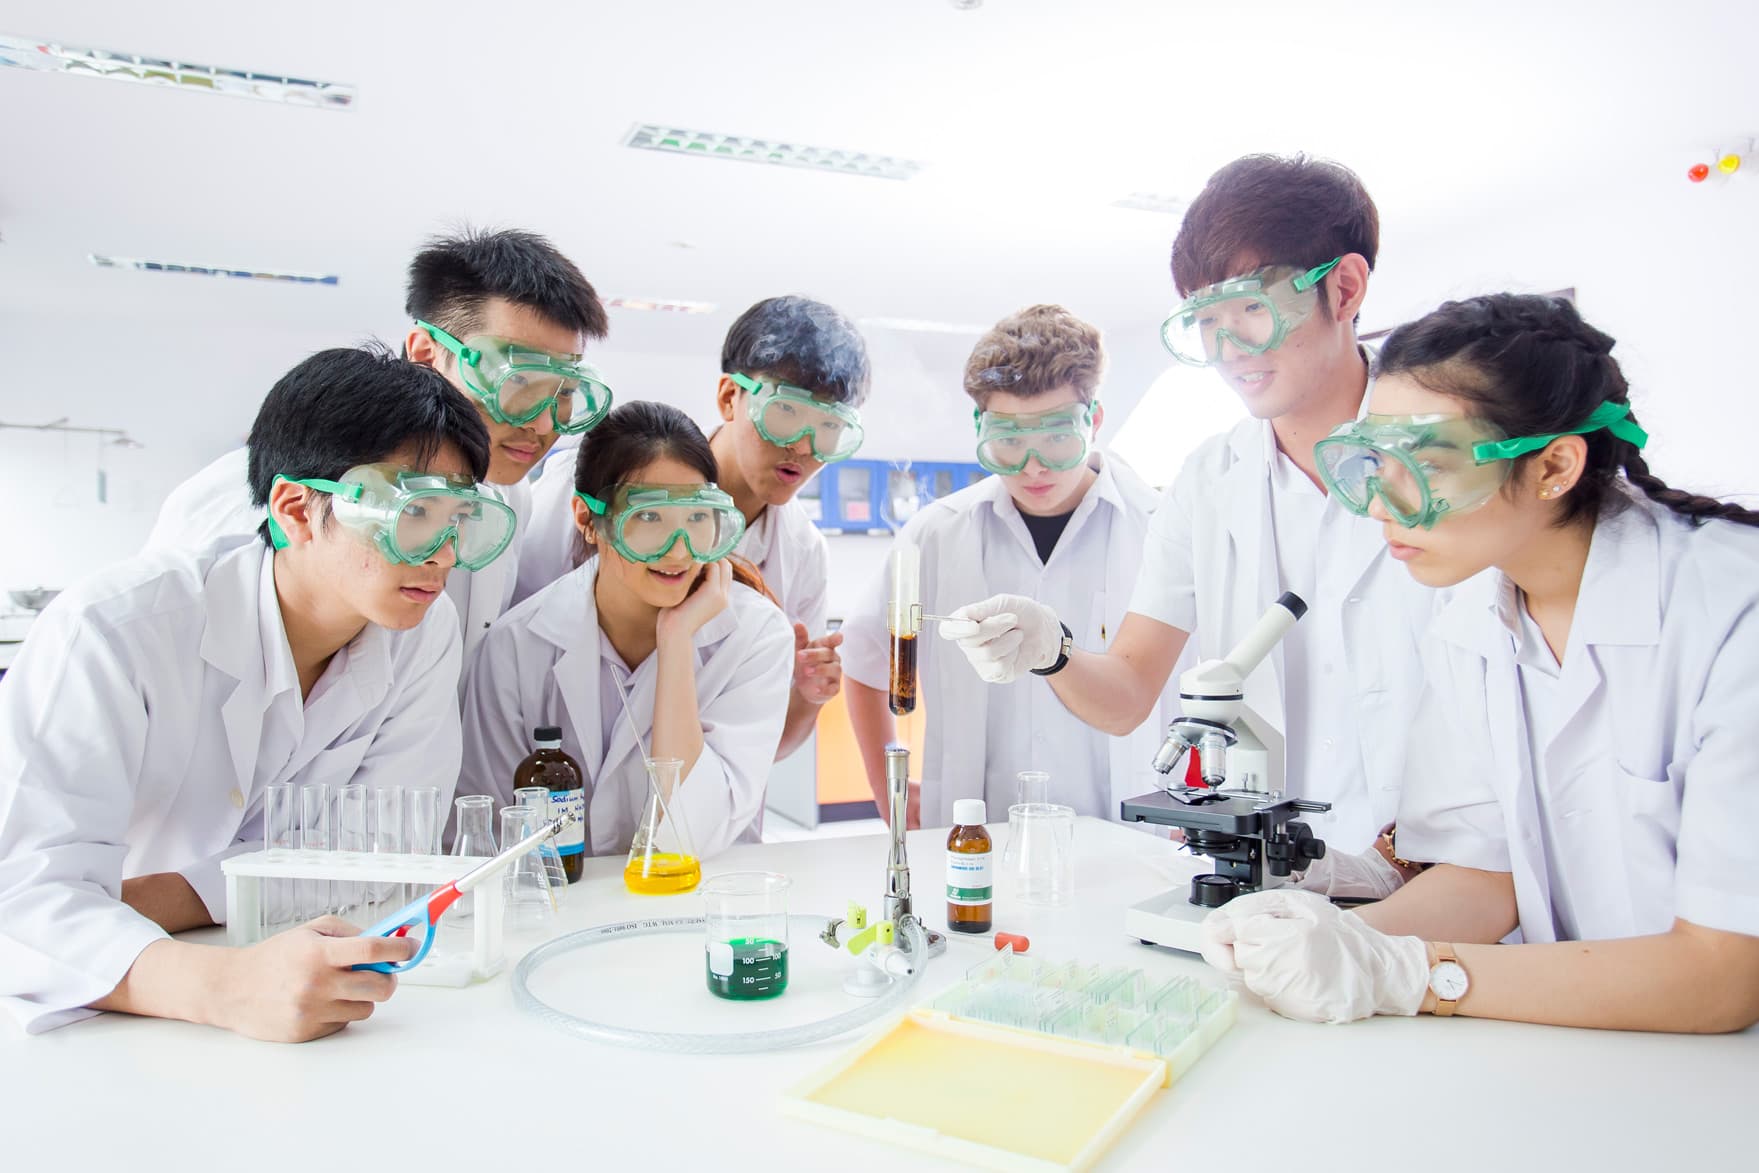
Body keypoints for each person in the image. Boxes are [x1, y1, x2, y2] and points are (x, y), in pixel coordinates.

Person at [1200, 294, 1759, 1033]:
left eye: (1426, 465)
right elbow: (1484, 876)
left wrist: (1406, 972)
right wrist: (1328, 943)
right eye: (1374, 463)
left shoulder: (1733, 615)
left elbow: (1724, 976)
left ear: (1553, 465)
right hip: (1593, 1042)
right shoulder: (1472, 614)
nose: (1379, 505)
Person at [941, 155, 1438, 872]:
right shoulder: (1207, 480)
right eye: (1205, 320)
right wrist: (1051, 650)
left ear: (1344, 287)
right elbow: (1127, 695)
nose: (1227, 349)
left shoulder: (1445, 454)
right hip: (1274, 879)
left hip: (1437, 874)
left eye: (1252, 309)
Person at [0, 347, 504, 1039]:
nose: (443, 554)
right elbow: (24, 905)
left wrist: (161, 899)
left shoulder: (420, 626)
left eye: (459, 519)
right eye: (413, 513)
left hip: (257, 960)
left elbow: (386, 848)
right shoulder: (112, 630)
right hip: (112, 1000)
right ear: (296, 509)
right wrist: (224, 987)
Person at [146, 227, 609, 663]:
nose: (543, 422)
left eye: (564, 391)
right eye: (519, 382)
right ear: (426, 353)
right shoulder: (260, 498)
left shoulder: (507, 495)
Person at [840, 305, 1169, 827]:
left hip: (1123, 833)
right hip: (975, 839)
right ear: (981, 428)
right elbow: (864, 661)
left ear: (1094, 421)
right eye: (1009, 440)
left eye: (1056, 437)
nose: (1033, 466)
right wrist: (889, 796)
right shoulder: (936, 533)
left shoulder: (1158, 529)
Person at [515, 296, 871, 760]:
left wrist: (806, 696)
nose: (804, 447)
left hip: (709, 799)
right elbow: (519, 637)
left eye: (828, 427)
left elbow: (763, 746)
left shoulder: (802, 552)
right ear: (729, 397)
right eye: (786, 414)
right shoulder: (595, 486)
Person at [459, 401, 794, 857]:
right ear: (587, 519)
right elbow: (491, 835)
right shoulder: (516, 646)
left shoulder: (756, 637)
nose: (679, 552)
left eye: (697, 518)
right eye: (649, 517)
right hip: (559, 896)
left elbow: (690, 836)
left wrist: (676, 641)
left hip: (706, 894)